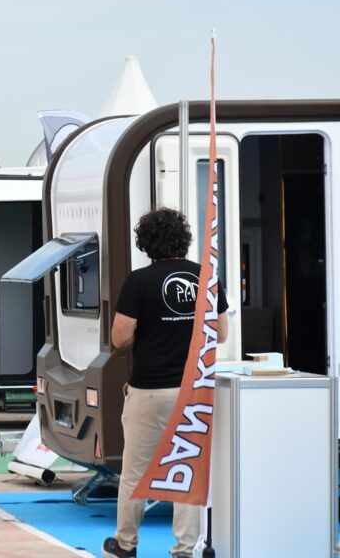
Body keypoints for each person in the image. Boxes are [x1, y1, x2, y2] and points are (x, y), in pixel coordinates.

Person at [101, 208, 229, 558]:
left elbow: (120, 337)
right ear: (183, 239)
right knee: (187, 468)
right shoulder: (206, 277)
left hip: (149, 390)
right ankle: (185, 550)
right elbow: (220, 333)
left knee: (135, 472)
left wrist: (149, 329)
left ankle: (125, 544)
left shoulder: (138, 281)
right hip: (194, 391)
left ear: (146, 243)